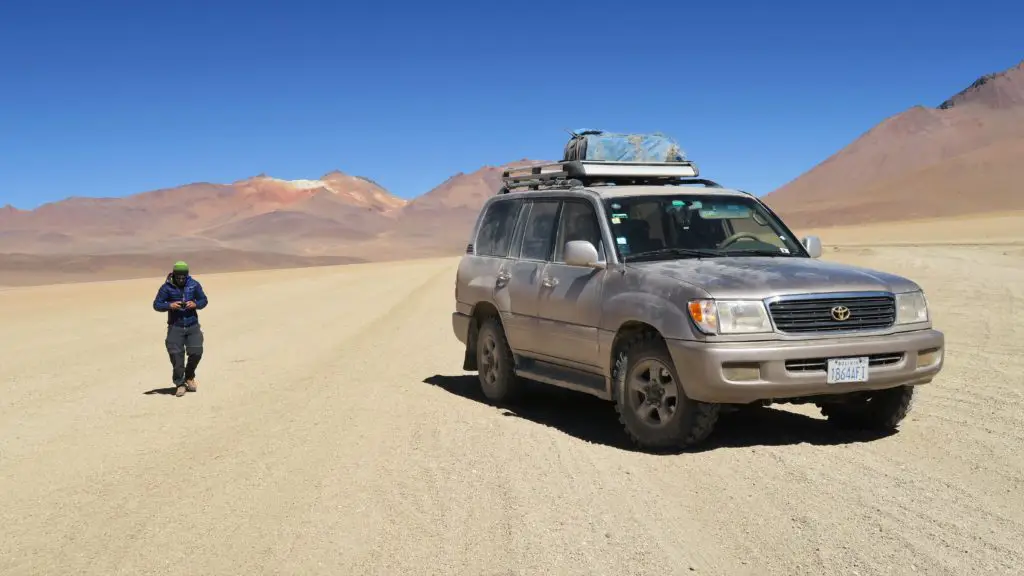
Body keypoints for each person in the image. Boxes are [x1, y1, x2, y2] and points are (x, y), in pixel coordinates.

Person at [152, 261, 209, 397]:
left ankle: (189, 377)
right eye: (179, 277)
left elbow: (204, 300)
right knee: (176, 356)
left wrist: (195, 304)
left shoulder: (194, 284)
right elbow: (157, 304)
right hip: (175, 326)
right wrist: (170, 305)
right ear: (174, 275)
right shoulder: (166, 288)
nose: (181, 279)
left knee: (196, 352)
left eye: (183, 277)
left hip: (192, 325)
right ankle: (180, 383)